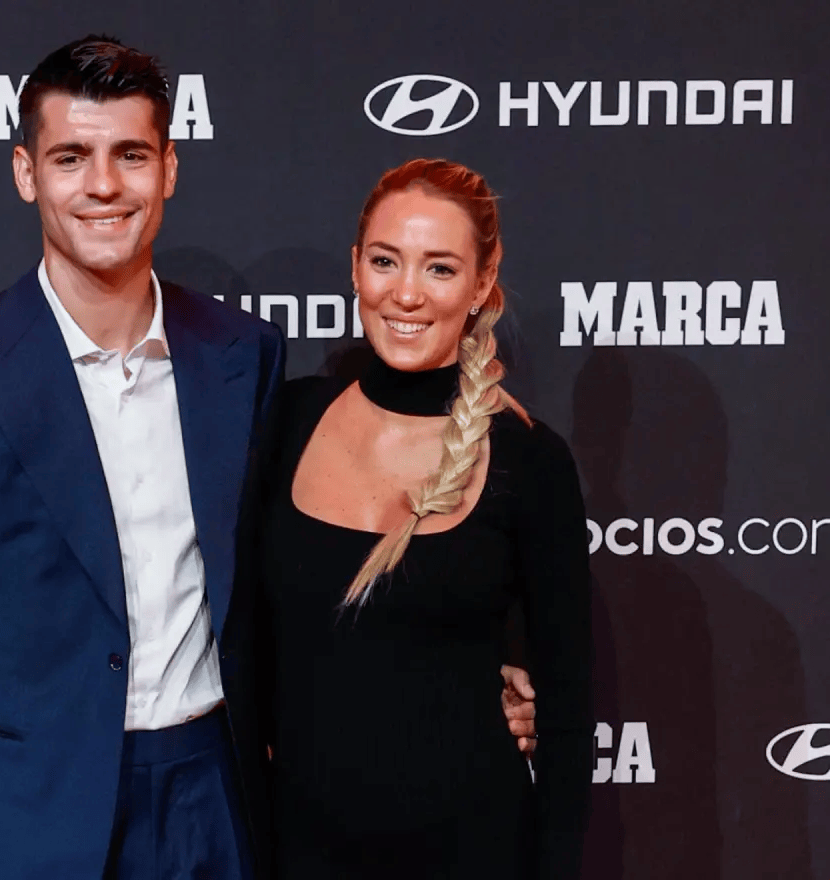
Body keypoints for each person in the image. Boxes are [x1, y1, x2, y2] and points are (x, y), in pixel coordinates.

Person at [0, 36, 538, 880]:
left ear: (169, 168)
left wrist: (491, 663)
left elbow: (322, 556)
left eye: (130, 155)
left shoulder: (241, 354)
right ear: (26, 173)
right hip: (33, 818)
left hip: (218, 800)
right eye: (70, 157)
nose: (103, 185)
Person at [259, 158, 594, 879]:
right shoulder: (280, 422)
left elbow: (568, 714)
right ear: (355, 266)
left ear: (483, 281)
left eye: (440, 268)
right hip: (295, 855)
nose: (406, 294)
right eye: (385, 261)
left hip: (475, 852)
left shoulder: (530, 461)